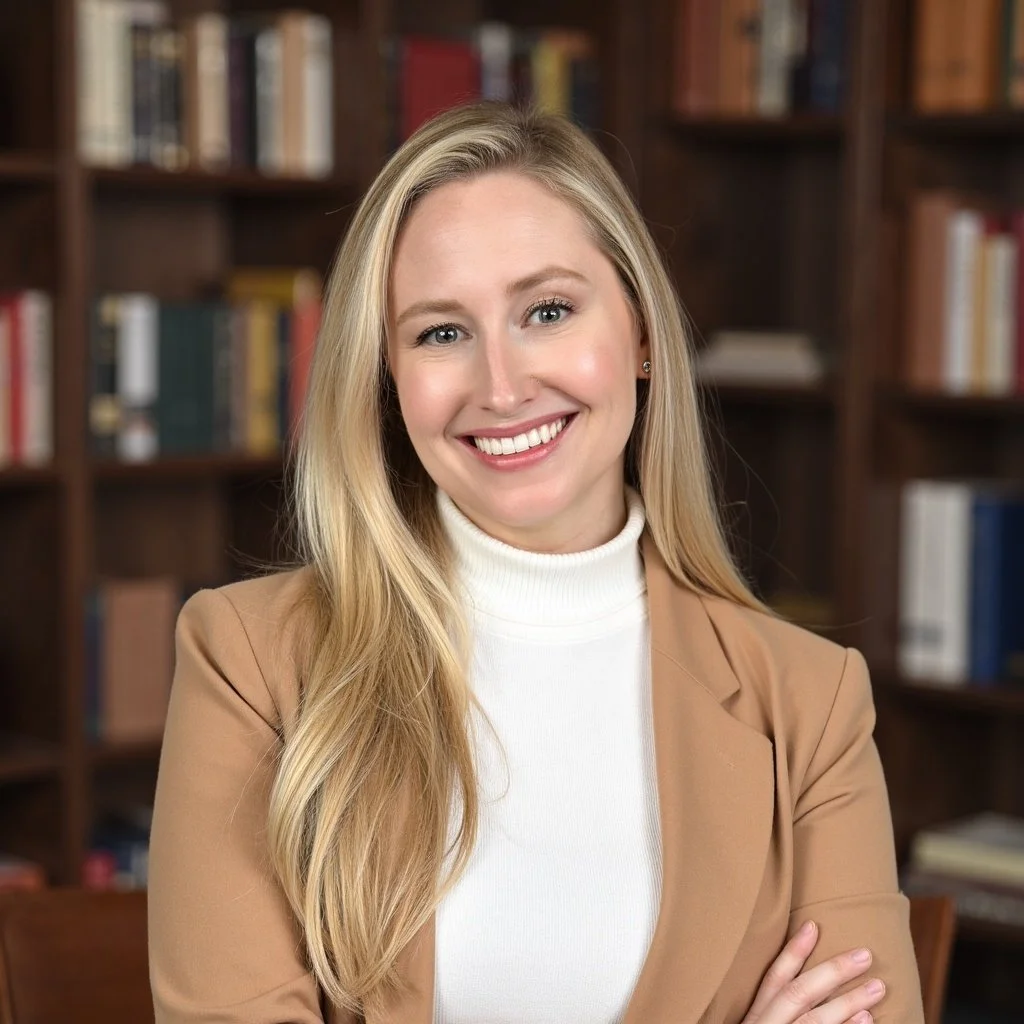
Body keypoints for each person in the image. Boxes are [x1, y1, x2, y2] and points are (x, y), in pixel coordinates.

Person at [147, 102, 924, 1024]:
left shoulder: (810, 702)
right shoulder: (251, 663)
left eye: (547, 311)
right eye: (441, 332)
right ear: (389, 380)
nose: (503, 386)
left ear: (639, 334)